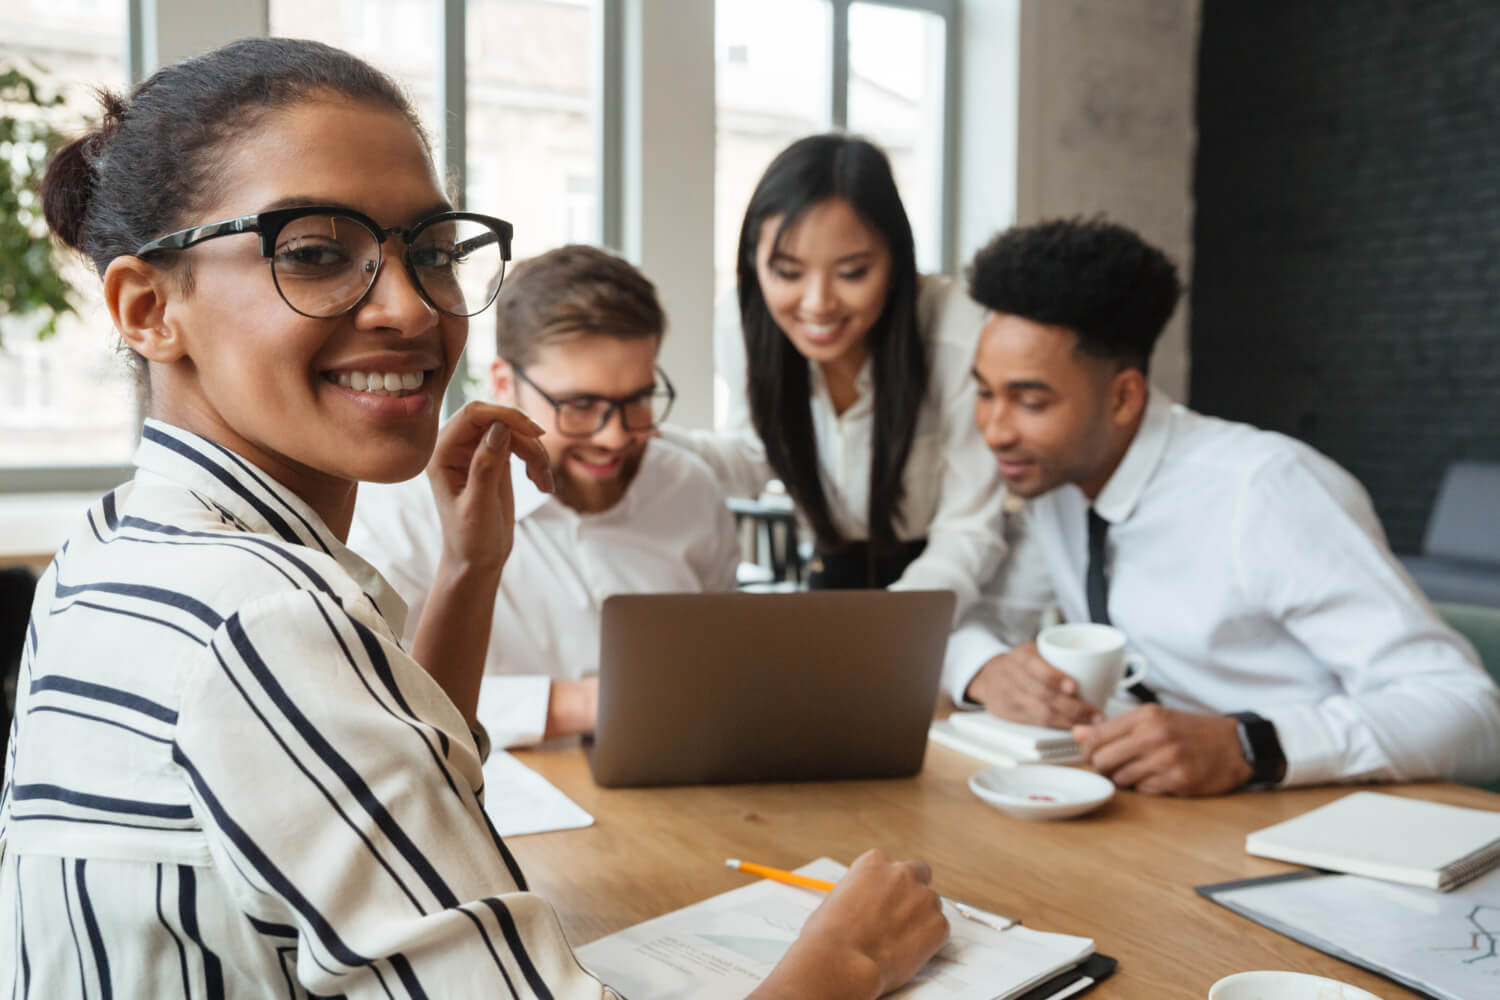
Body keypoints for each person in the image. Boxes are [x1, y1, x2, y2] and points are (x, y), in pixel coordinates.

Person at [0, 37, 948, 997]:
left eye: (434, 251)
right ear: (147, 307)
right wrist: (850, 958)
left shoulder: (110, 546)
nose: (413, 309)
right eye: (318, 253)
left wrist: (469, 565)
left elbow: (407, 799)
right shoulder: (263, 620)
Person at [951, 217, 1500, 796]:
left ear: (1123, 397)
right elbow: (984, 618)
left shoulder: (1266, 491)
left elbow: (1471, 713)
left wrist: (1250, 745)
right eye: (984, 393)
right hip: (1163, 821)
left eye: (1030, 401)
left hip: (1309, 821)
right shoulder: (1055, 481)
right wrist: (984, 670)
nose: (994, 429)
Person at [350, 245, 739, 748]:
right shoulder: (401, 509)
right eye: (580, 405)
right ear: (504, 383)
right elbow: (378, 705)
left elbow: (725, 668)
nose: (615, 437)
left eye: (637, 401)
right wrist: (583, 703)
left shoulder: (689, 490)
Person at [666, 134, 1004, 613]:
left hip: (952, 581)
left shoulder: (956, 332)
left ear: (895, 262)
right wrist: (639, 431)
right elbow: (753, 455)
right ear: (753, 261)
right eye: (787, 273)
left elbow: (971, 526)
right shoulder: (741, 324)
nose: (818, 304)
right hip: (831, 570)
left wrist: (893, 627)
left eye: (852, 273)